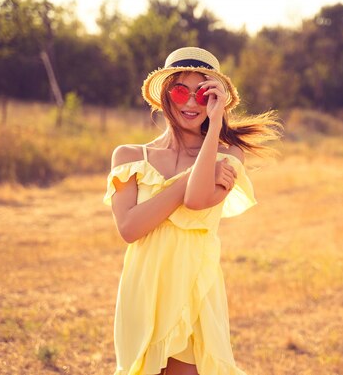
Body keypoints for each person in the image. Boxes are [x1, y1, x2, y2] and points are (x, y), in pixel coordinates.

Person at [103, 47, 281, 375]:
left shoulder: (228, 157)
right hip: (144, 287)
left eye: (202, 94)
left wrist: (214, 127)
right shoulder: (129, 157)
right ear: (165, 97)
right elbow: (129, 229)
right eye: (181, 91)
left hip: (195, 285)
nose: (189, 103)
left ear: (216, 101)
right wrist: (189, 176)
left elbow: (197, 200)